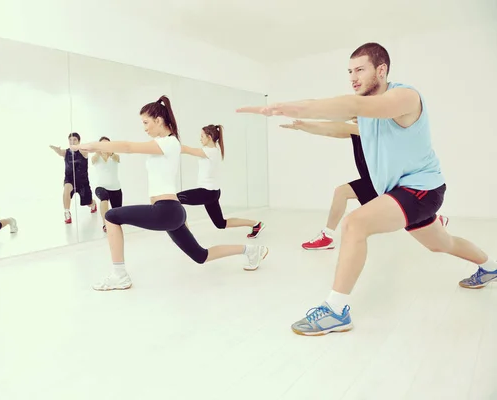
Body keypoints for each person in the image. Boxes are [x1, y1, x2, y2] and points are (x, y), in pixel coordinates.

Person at [237, 42, 497, 336]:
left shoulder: (404, 97)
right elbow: (343, 127)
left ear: (381, 70)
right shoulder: (368, 115)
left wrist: (280, 107)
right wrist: (303, 125)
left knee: (354, 224)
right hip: (406, 192)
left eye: (360, 69)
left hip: (421, 189)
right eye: (350, 71)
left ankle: (335, 310)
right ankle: (490, 267)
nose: (353, 77)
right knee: (441, 244)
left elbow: (351, 105)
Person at [72, 95, 269, 291]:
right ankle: (251, 250)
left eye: (146, 122)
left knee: (111, 216)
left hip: (166, 210)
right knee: (201, 255)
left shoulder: (167, 142)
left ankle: (119, 275)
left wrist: (93, 145)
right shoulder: (166, 143)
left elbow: (128, 147)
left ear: (159, 120)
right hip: (172, 212)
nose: (145, 128)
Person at [279, 120, 449, 250]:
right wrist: (303, 126)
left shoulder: (373, 131)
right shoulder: (358, 130)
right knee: (342, 191)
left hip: (391, 184)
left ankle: (434, 219)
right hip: (373, 182)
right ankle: (327, 236)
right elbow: (332, 130)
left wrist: (305, 124)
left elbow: (337, 127)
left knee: (414, 227)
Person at [178, 124, 265, 238]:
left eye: (202, 136)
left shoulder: (210, 151)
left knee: (175, 199)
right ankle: (255, 224)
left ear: (209, 137)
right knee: (220, 223)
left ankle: (186, 236)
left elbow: (186, 149)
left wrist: (170, 143)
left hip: (207, 192)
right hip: (212, 193)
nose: (200, 139)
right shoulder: (213, 151)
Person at [49, 132, 97, 224]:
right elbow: (60, 152)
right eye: (70, 140)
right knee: (66, 189)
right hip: (70, 179)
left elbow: (90, 149)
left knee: (88, 202)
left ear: (79, 141)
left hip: (83, 182)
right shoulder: (66, 152)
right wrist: (54, 148)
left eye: (74, 140)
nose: (72, 141)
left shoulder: (83, 151)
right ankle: (67, 213)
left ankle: (93, 204)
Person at [91, 136, 123, 233]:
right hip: (101, 187)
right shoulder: (96, 157)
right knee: (104, 198)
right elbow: (93, 160)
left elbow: (116, 158)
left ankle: (113, 225)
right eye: (102, 144)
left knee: (117, 215)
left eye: (107, 144)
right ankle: (105, 224)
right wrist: (98, 150)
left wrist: (109, 151)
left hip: (115, 188)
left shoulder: (115, 156)